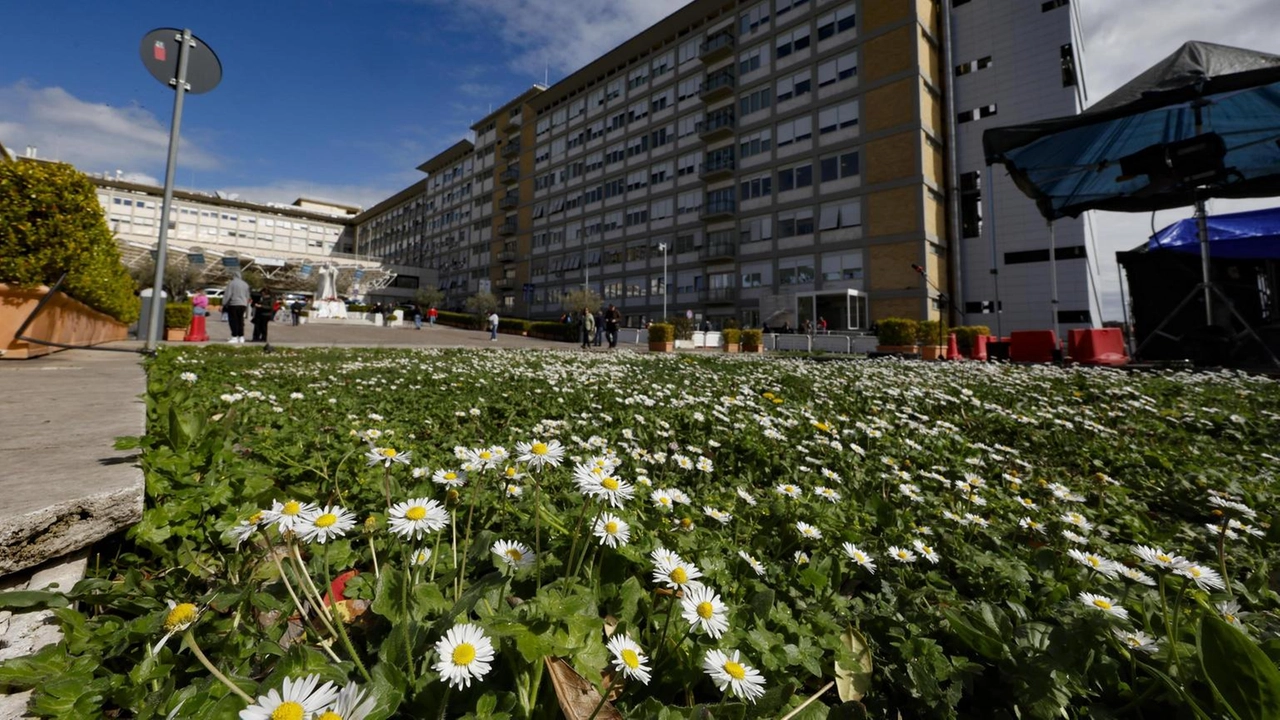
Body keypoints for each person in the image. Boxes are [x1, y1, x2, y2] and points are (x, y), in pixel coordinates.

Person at [223, 272, 251, 344]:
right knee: (240, 320)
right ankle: (241, 337)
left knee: (233, 321)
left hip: (234, 304)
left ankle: (234, 336)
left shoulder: (231, 283)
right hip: (243, 304)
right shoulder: (245, 284)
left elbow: (228, 294)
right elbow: (247, 296)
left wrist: (224, 303)